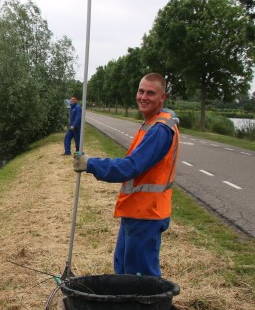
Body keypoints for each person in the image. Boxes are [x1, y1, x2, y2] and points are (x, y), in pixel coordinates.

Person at [73, 73, 179, 277]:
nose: (143, 97)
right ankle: (125, 308)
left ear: (162, 98)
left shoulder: (160, 130)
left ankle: (148, 309)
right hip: (136, 211)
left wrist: (91, 164)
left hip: (147, 214)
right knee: (123, 270)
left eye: (151, 93)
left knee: (140, 279)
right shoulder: (152, 123)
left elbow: (130, 167)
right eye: (141, 91)